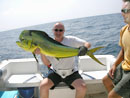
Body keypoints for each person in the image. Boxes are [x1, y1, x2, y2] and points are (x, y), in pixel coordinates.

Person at [34, 22, 91, 98]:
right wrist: (41, 52)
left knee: (82, 87)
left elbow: (87, 43)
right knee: (43, 86)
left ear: (64, 31)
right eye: (56, 30)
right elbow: (47, 62)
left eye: (60, 30)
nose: (58, 32)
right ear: (53, 31)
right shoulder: (48, 44)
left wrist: (85, 48)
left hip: (71, 72)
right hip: (55, 72)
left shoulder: (71, 40)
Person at [102, 0, 130, 98]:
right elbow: (123, 51)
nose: (122, 14)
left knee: (112, 96)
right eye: (122, 10)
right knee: (105, 80)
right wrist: (114, 65)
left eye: (125, 10)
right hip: (124, 66)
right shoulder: (123, 30)